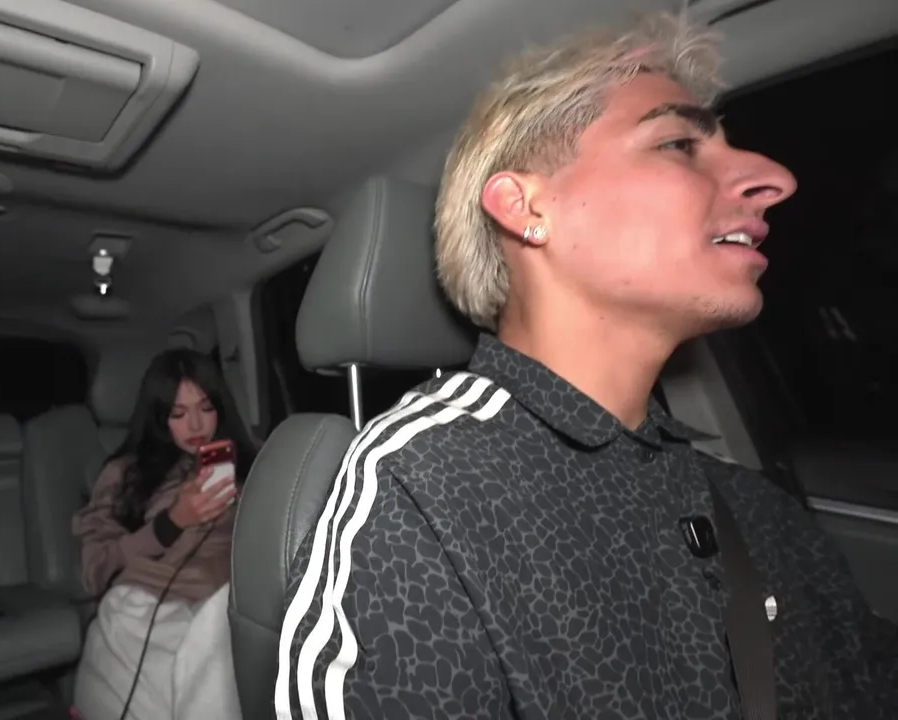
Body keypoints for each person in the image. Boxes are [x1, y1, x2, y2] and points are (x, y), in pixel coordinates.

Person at [276, 12, 896, 720]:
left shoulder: (754, 507)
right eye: (677, 143)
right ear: (526, 207)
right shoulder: (428, 491)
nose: (773, 178)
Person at [72, 348, 257, 720]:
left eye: (206, 408)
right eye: (178, 413)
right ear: (158, 418)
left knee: (222, 620)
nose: (196, 425)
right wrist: (171, 523)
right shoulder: (126, 473)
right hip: (145, 606)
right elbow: (94, 568)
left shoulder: (256, 465)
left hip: (227, 607)